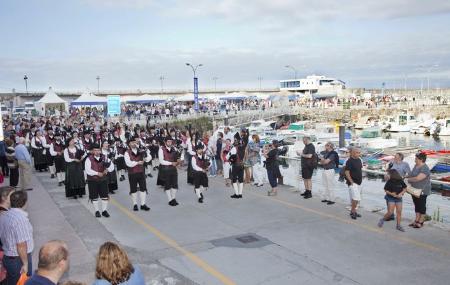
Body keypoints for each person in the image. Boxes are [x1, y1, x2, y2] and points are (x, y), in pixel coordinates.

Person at [0, 191, 34, 285]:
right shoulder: (20, 219)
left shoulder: (5, 214)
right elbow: (21, 244)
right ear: (25, 202)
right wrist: (25, 264)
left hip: (9, 257)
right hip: (18, 260)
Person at [85, 144, 114, 218]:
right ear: (93, 151)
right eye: (95, 150)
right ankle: (97, 211)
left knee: (104, 195)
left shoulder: (105, 157)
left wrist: (107, 170)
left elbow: (112, 166)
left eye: (98, 150)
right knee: (94, 196)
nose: (97, 152)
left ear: (100, 150)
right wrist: (97, 173)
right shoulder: (88, 159)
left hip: (103, 180)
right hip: (92, 180)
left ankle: (104, 211)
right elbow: (88, 170)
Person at [124, 137, 151, 211]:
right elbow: (128, 163)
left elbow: (149, 156)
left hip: (141, 172)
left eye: (135, 142)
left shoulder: (141, 150)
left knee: (143, 188)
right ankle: (135, 204)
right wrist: (137, 162)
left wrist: (146, 159)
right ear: (129, 144)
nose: (134, 144)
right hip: (132, 173)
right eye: (132, 143)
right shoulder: (127, 152)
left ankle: (143, 204)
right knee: (133, 189)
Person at [407, 152, 431, 229]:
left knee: (421, 206)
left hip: (422, 190)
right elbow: (412, 174)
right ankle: (416, 220)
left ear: (421, 159)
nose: (415, 160)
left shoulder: (425, 168)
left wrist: (408, 179)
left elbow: (418, 178)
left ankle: (421, 221)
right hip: (414, 189)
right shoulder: (416, 165)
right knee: (416, 205)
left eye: (416, 158)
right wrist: (405, 176)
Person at [384, 152, 411, 220]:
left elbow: (409, 173)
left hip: (399, 185)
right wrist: (386, 175)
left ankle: (395, 214)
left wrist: (403, 176)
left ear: (400, 158)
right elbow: (387, 172)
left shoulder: (405, 164)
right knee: (388, 197)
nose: (394, 157)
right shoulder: (392, 163)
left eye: (396, 156)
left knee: (397, 198)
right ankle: (391, 214)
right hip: (390, 183)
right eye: (394, 156)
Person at [158, 137, 180, 206]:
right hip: (165, 169)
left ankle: (173, 198)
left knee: (175, 185)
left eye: (170, 142)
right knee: (167, 185)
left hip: (173, 169)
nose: (170, 143)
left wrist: (179, 161)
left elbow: (179, 156)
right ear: (165, 142)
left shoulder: (174, 149)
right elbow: (161, 161)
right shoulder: (161, 149)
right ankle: (170, 200)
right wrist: (171, 163)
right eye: (168, 142)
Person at [345, 147, 363, 219]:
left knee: (355, 198)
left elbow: (359, 170)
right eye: (357, 152)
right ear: (352, 153)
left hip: (359, 182)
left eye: (359, 152)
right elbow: (347, 172)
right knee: (356, 198)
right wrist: (351, 181)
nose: (359, 154)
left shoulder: (359, 160)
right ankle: (353, 211)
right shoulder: (349, 161)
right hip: (353, 182)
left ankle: (353, 211)